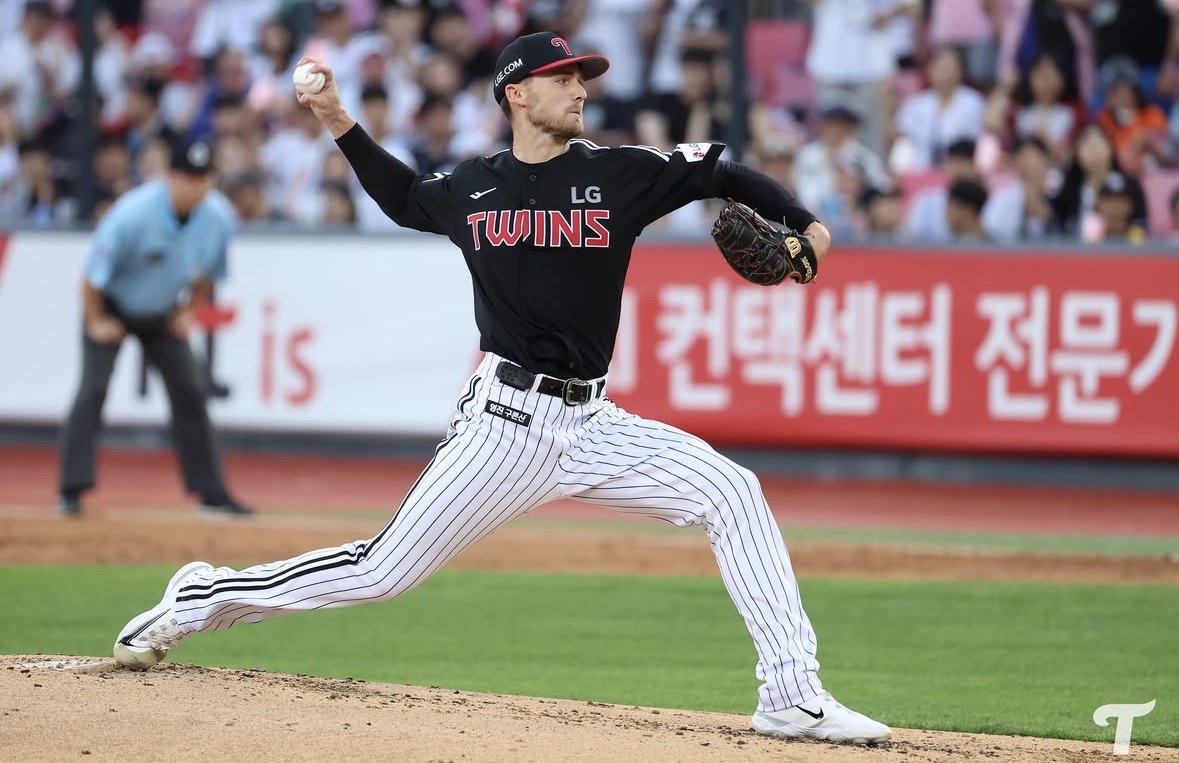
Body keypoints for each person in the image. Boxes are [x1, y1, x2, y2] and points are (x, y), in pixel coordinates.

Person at [110, 33, 890, 746]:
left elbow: (719, 169)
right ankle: (202, 596)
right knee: (381, 572)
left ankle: (791, 695)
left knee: (732, 492)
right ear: (517, 93)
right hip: (505, 423)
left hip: (593, 423)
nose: (579, 88)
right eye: (562, 77)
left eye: (582, 76)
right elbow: (401, 197)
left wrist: (809, 227)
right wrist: (338, 119)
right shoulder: (473, 186)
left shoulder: (617, 173)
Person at [58, 139, 252, 518]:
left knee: (191, 391)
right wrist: (96, 321)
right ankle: (70, 489)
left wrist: (188, 311)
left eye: (204, 178)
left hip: (162, 311)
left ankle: (212, 494)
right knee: (93, 388)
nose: (197, 186)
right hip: (111, 304)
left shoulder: (219, 217)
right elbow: (92, 275)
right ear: (170, 177)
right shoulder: (132, 214)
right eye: (188, 177)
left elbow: (210, 273)